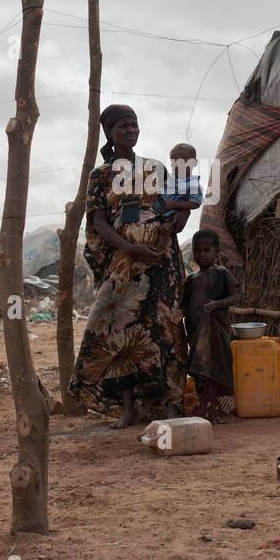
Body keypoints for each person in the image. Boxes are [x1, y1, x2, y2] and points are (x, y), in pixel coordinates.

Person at [68, 105, 189, 428]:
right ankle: (128, 408)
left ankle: (172, 405)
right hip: (125, 262)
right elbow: (98, 222)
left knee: (166, 329)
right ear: (110, 132)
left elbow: (183, 202)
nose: (131, 130)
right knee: (119, 331)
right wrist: (130, 247)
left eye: (134, 125)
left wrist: (177, 221)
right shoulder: (101, 175)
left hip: (162, 262)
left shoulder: (156, 167)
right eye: (124, 126)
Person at [181, 229, 241, 423]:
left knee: (219, 367)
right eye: (197, 251)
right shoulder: (191, 280)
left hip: (216, 331)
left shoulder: (222, 273)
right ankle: (206, 407)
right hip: (196, 332)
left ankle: (224, 411)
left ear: (217, 252)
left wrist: (217, 305)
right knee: (200, 367)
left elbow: (235, 296)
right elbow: (184, 305)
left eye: (207, 250)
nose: (201, 254)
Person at [150, 142, 204, 252]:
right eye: (173, 162)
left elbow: (195, 203)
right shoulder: (169, 179)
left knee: (165, 230)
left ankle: (158, 254)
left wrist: (174, 205)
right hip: (156, 212)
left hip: (171, 215)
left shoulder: (193, 184)